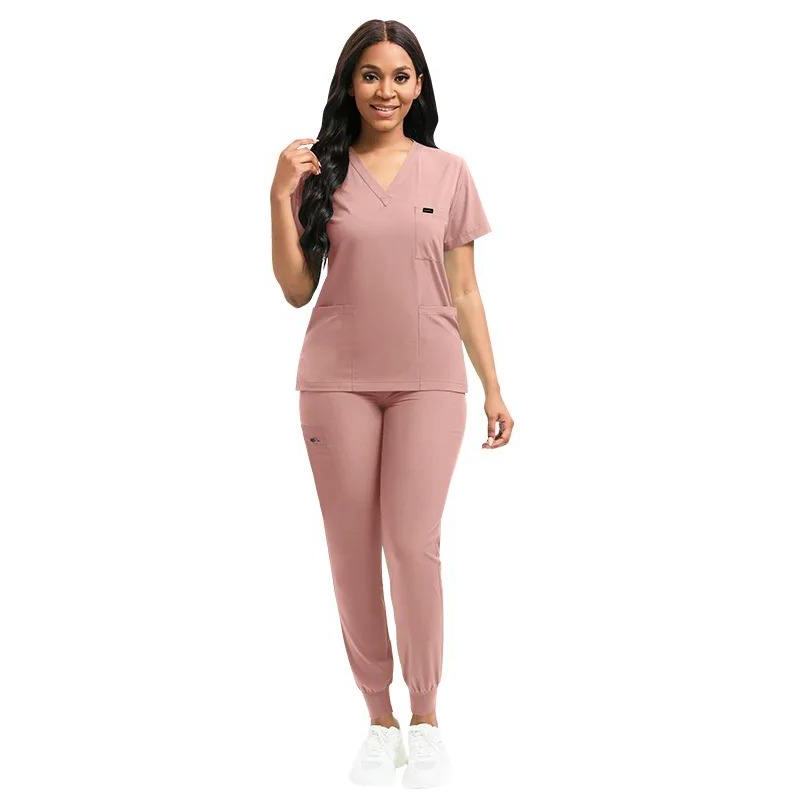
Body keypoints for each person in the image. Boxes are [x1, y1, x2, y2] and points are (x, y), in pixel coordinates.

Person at [270, 19, 513, 789]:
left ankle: (427, 717)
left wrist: (494, 386)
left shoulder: (449, 173)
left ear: (419, 86)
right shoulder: (320, 171)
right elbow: (296, 289)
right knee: (351, 551)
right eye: (370, 75)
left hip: (428, 381)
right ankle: (379, 721)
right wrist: (278, 195)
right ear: (350, 83)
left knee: (412, 545)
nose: (385, 90)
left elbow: (465, 290)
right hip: (335, 382)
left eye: (400, 76)